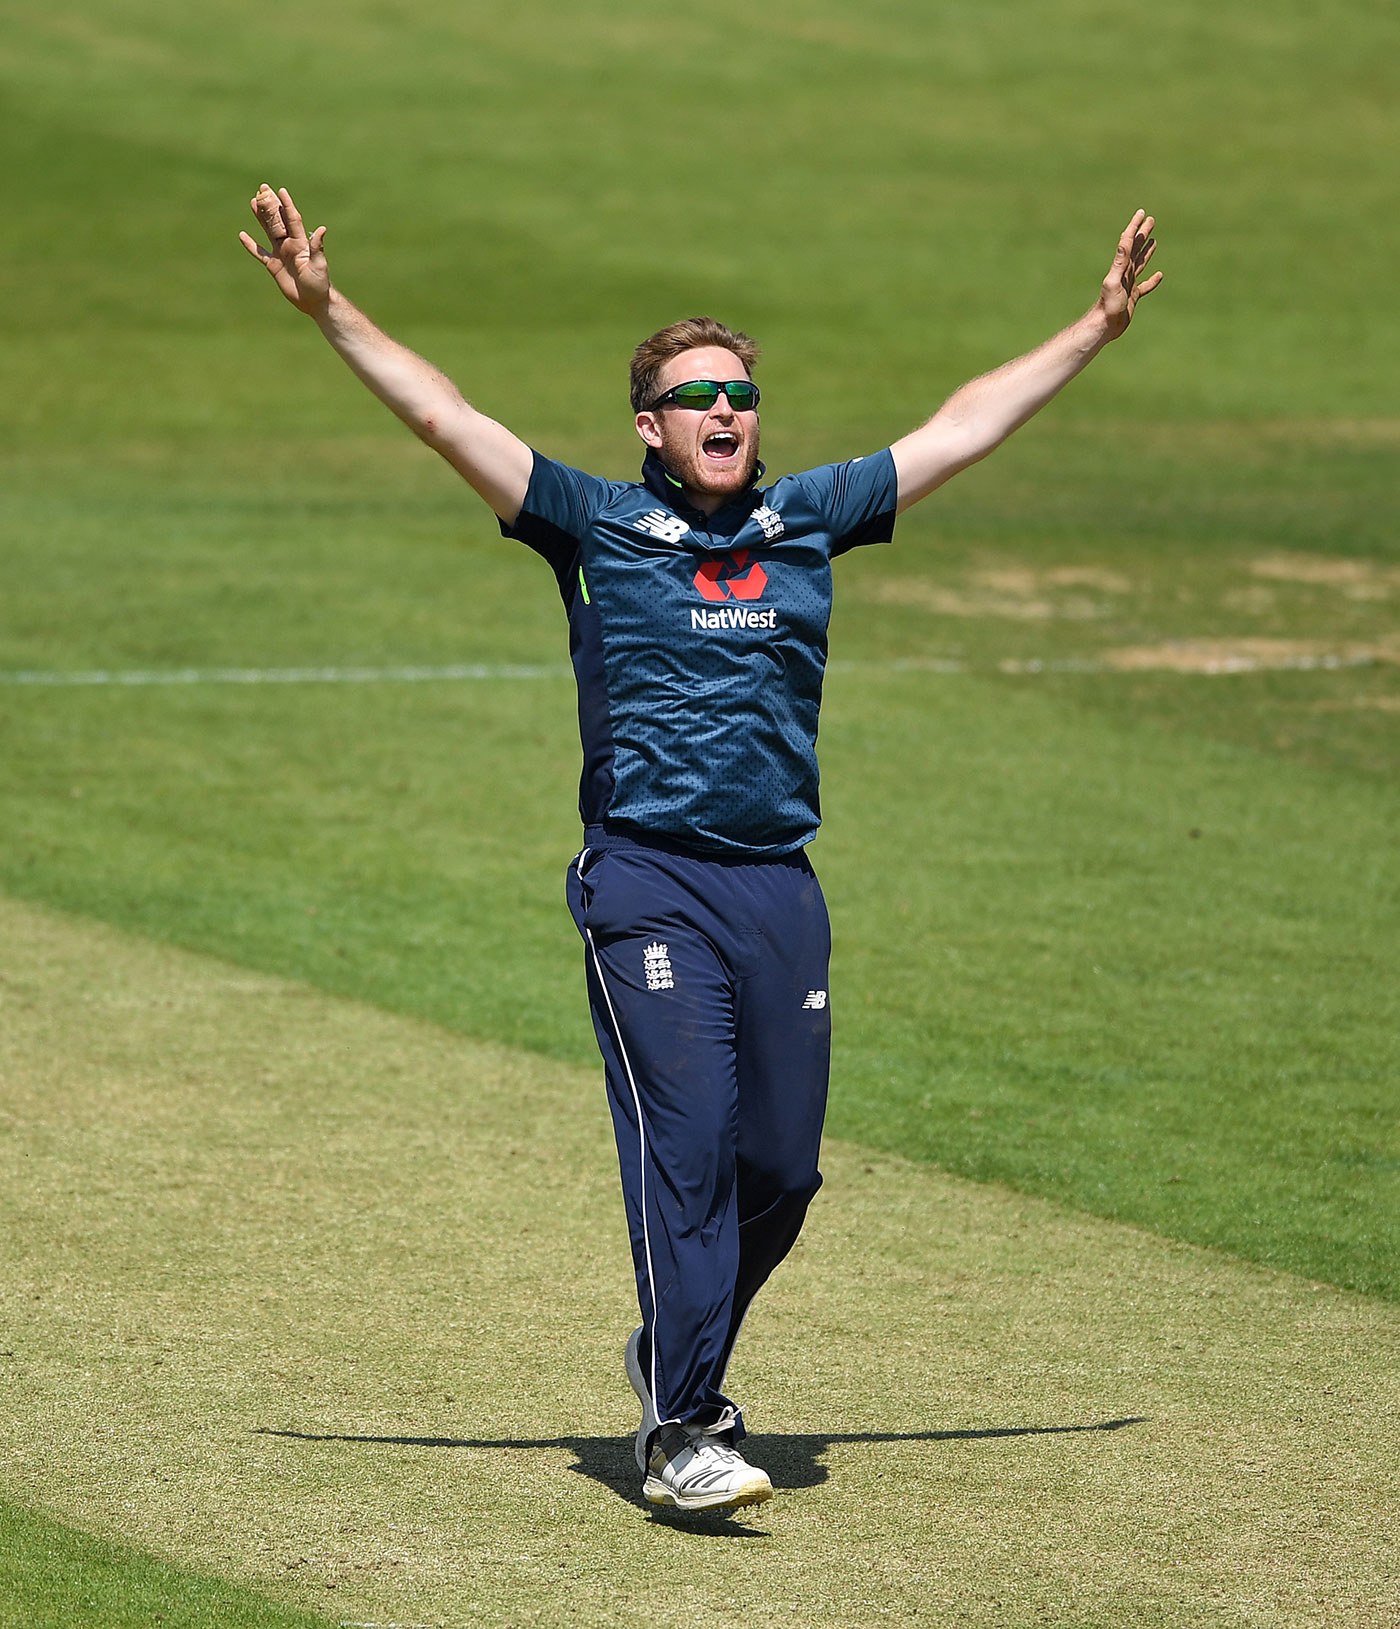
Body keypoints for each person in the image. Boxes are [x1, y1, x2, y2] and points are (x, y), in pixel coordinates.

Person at [241, 186, 1160, 1512]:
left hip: (779, 887)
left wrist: (1091, 328)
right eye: (696, 397)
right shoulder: (592, 523)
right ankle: (684, 1426)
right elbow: (447, 416)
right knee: (688, 1146)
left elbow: (960, 427)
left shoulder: (810, 517)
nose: (725, 413)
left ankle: (673, 1344)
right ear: (649, 426)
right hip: (647, 883)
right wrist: (330, 312)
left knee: (781, 1167)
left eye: (740, 393)